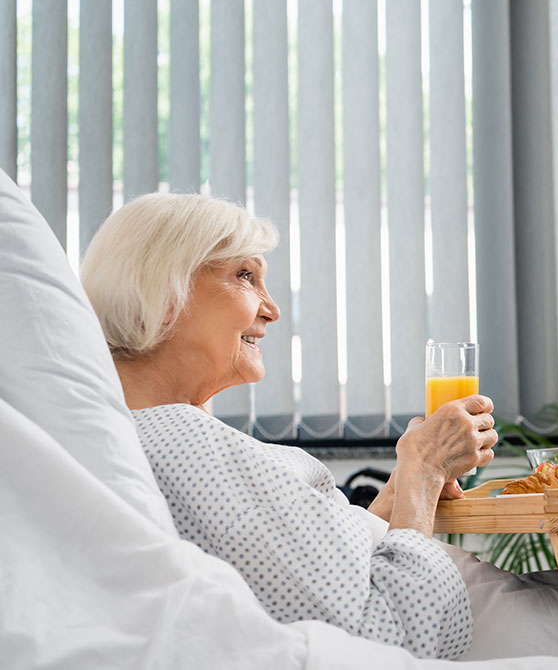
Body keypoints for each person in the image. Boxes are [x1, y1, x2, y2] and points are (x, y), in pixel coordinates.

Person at [80, 193, 498, 660]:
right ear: (160, 294)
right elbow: (397, 639)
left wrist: (396, 500)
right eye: (245, 276)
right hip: (485, 622)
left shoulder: (147, 435)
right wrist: (423, 471)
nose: (272, 309)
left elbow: (308, 572)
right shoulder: (186, 442)